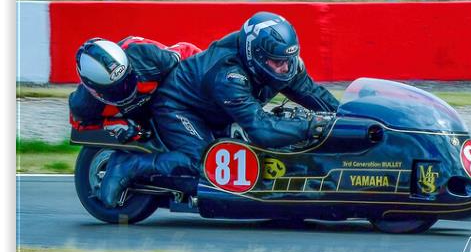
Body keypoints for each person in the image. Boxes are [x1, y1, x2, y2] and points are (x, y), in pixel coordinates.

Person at [99, 12, 339, 207]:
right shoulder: (229, 76)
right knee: (203, 164)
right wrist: (311, 125)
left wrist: (345, 115)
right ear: (255, 56)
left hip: (216, 110)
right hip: (180, 107)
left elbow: (312, 94)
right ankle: (129, 165)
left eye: (289, 60)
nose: (285, 68)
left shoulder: (281, 63)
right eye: (278, 62)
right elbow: (261, 130)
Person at [69, 36, 202, 142]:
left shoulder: (147, 57)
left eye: (126, 80)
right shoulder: (83, 104)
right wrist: (114, 124)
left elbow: (189, 52)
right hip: (135, 121)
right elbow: (78, 124)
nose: (124, 89)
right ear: (94, 91)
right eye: (114, 90)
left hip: (168, 97)